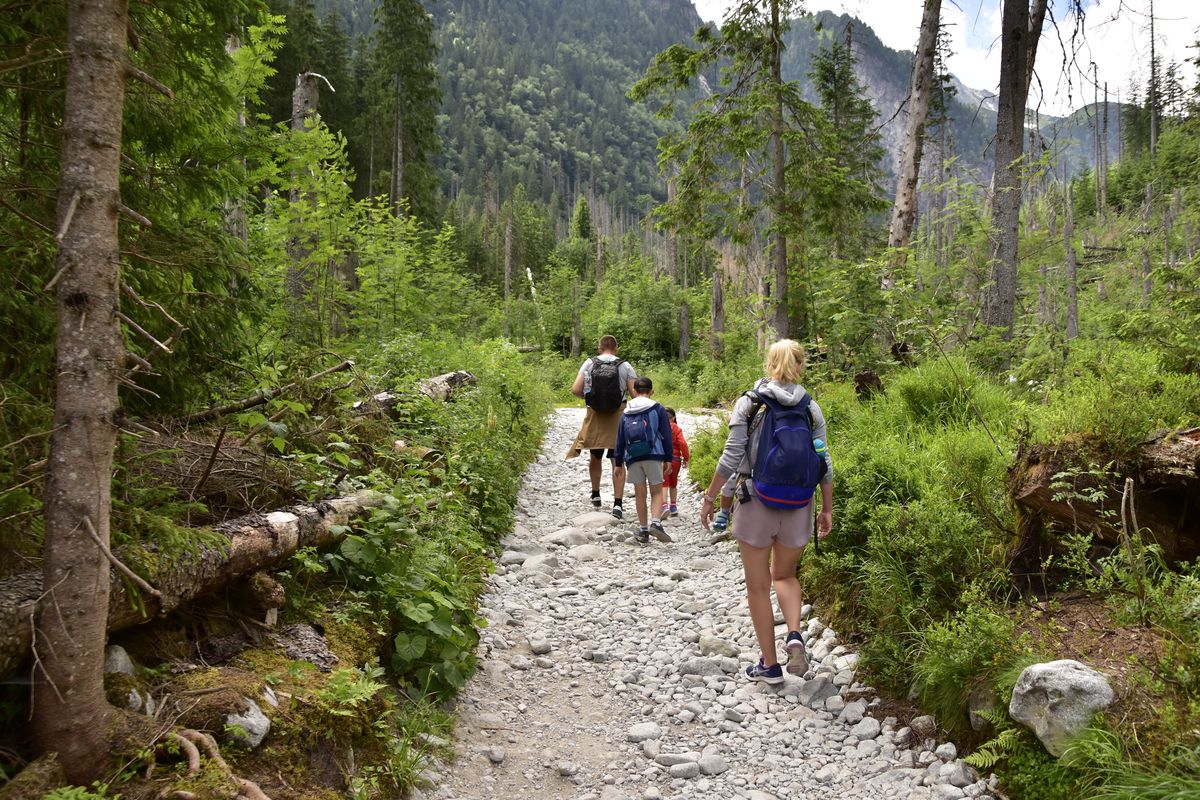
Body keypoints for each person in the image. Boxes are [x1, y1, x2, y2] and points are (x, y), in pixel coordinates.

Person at [699, 339, 833, 684]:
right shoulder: (810, 408)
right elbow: (825, 464)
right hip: (799, 503)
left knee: (758, 586)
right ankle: (794, 634)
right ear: (800, 366)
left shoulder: (750, 403)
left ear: (768, 364)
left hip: (756, 499)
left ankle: (769, 666)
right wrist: (827, 508)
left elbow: (731, 456)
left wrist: (711, 497)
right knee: (785, 576)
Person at [567, 335, 638, 519]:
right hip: (618, 415)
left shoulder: (589, 363)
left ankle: (596, 494)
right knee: (617, 459)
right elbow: (634, 394)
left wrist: (590, 398)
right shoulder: (625, 365)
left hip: (595, 414)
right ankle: (618, 504)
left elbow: (575, 389)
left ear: (599, 347)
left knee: (595, 456)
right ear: (617, 347)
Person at [614, 377, 674, 544]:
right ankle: (656, 522)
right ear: (651, 390)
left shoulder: (626, 411)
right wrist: (668, 457)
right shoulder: (657, 408)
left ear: (634, 391)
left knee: (640, 494)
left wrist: (618, 463)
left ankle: (644, 530)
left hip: (633, 457)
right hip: (654, 455)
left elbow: (619, 438)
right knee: (656, 492)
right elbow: (666, 434)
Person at [661, 408, 690, 517]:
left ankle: (664, 506)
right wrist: (686, 458)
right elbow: (683, 443)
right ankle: (673, 506)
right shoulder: (677, 428)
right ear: (673, 418)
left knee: (664, 483)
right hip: (676, 460)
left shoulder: (660, 427)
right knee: (673, 484)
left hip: (663, 459)